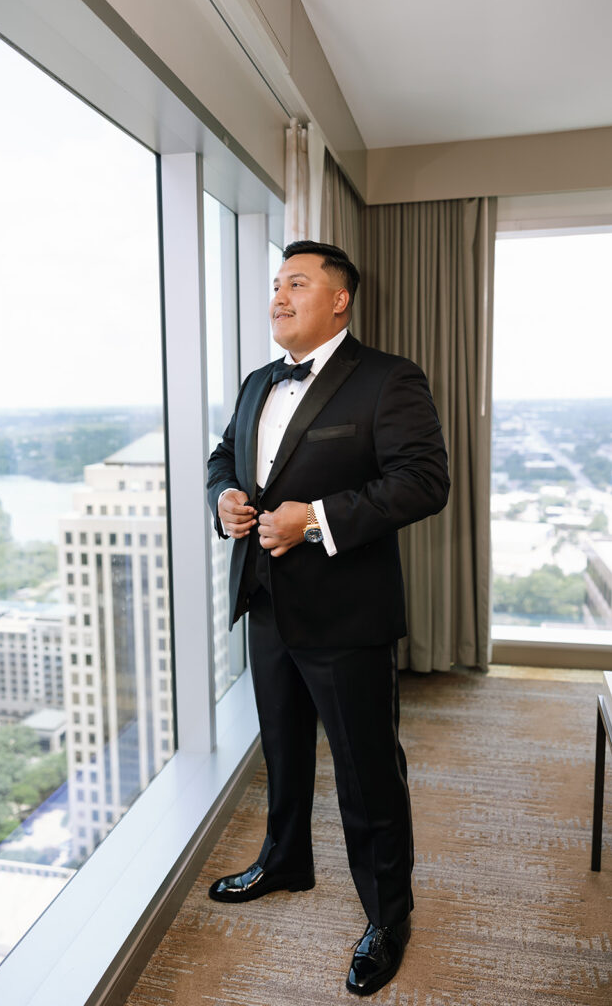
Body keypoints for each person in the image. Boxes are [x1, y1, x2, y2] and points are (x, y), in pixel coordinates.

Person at [206, 240, 449, 996]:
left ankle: (387, 915)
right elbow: (224, 456)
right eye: (275, 285)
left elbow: (422, 482)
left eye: (296, 284)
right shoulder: (255, 382)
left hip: (347, 614)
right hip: (266, 604)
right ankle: (284, 861)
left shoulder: (387, 379)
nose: (278, 296)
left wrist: (311, 519)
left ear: (338, 298)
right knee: (281, 750)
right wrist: (226, 498)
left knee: (366, 772)